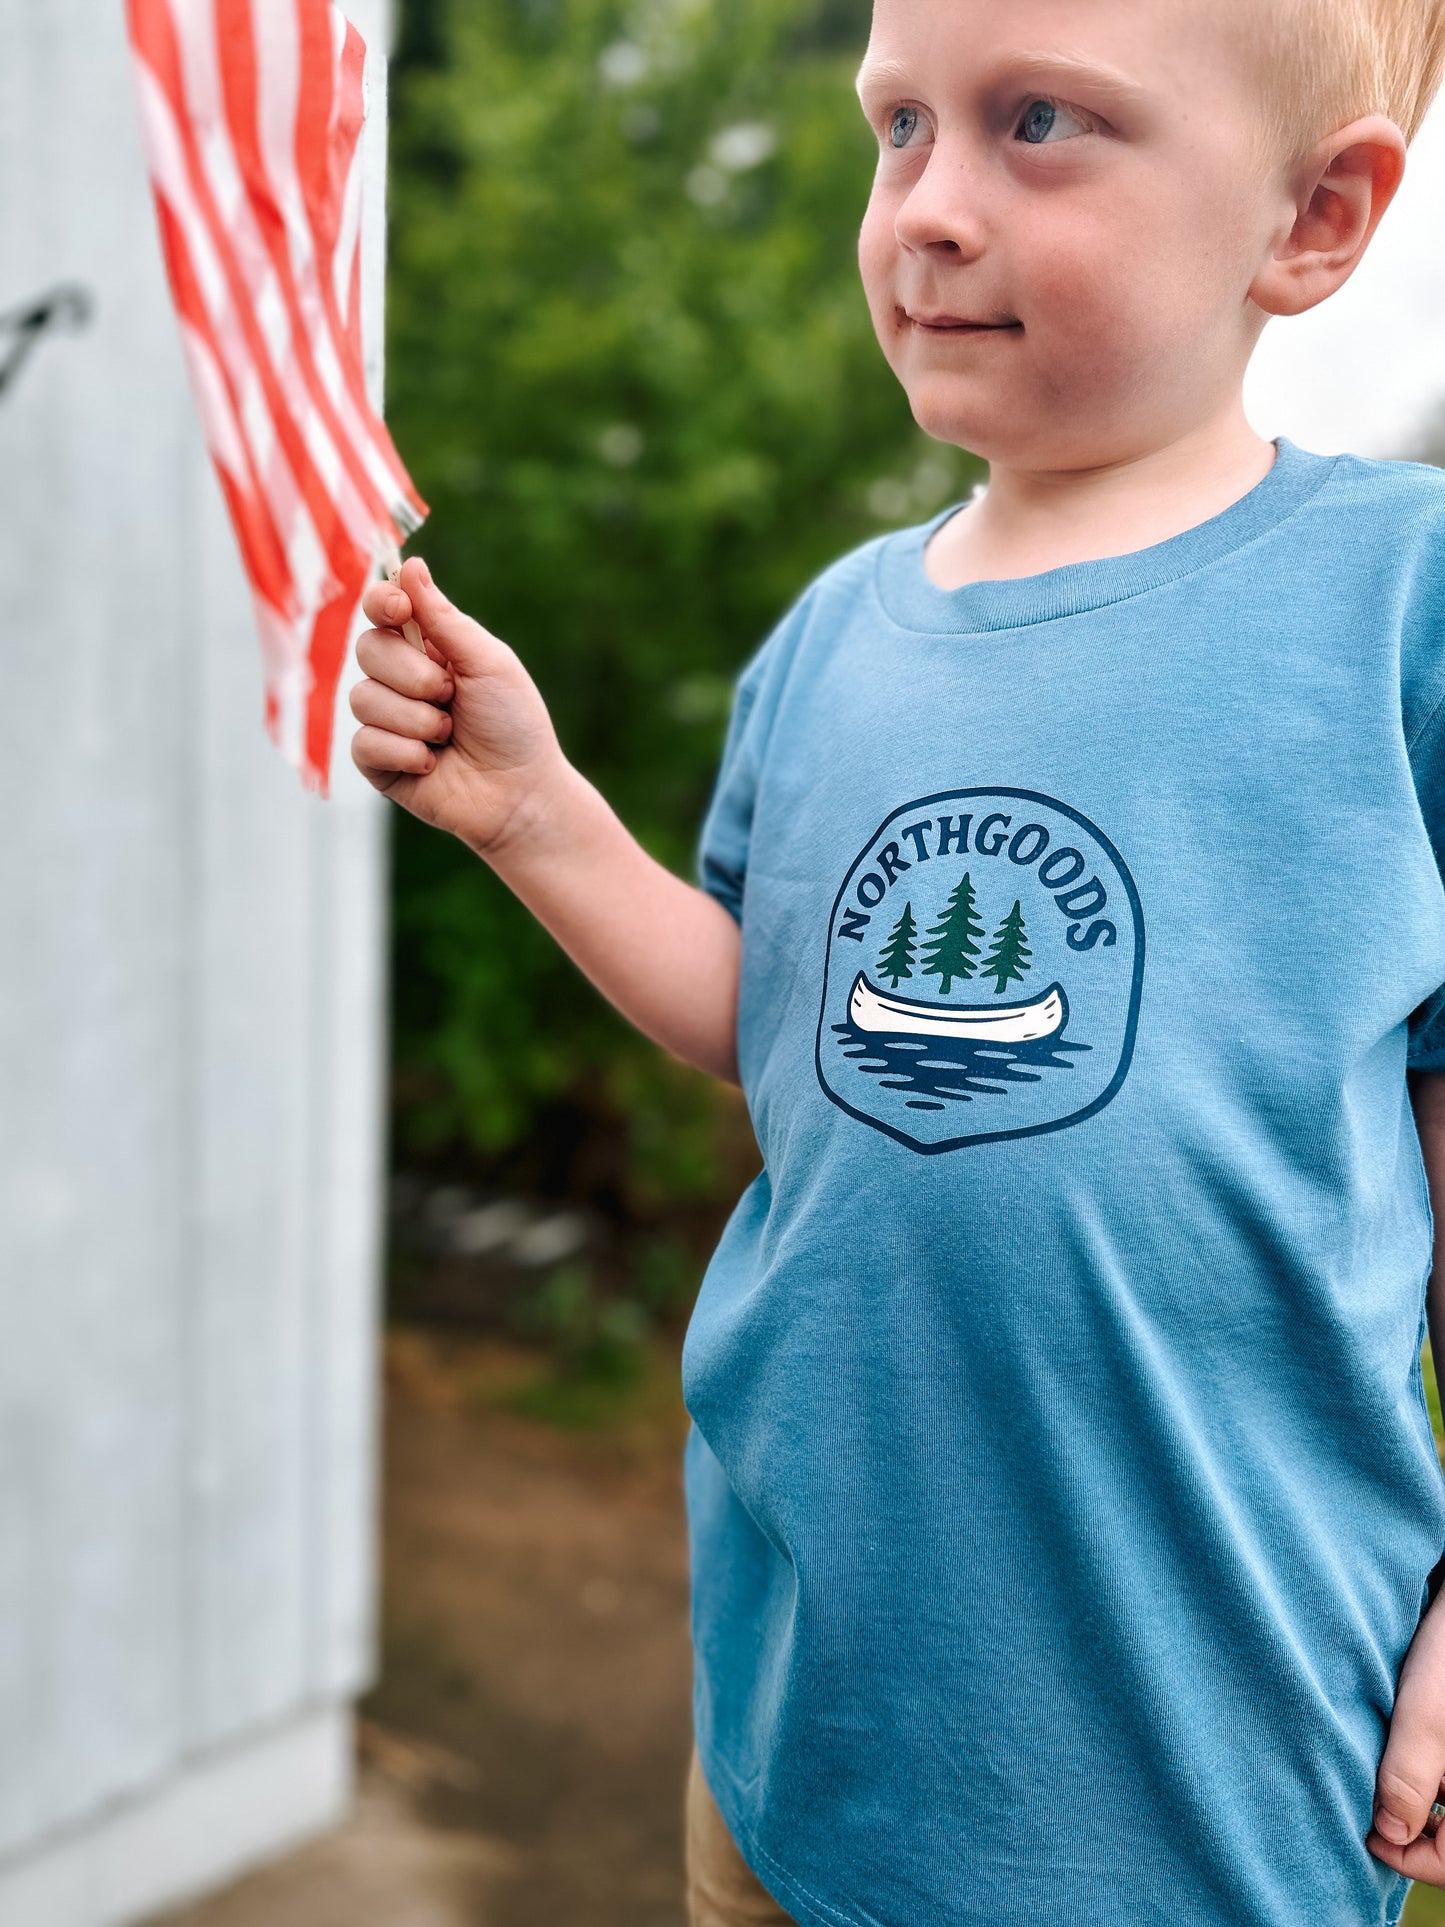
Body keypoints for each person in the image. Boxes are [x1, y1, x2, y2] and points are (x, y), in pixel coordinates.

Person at [349, 0, 1445, 1918]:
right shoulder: (834, 636)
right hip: (794, 1744)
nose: (926, 208)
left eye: (1039, 123)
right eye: (895, 128)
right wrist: (534, 815)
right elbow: (782, 1032)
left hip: (1181, 1799)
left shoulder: (1396, 610)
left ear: (1317, 220)